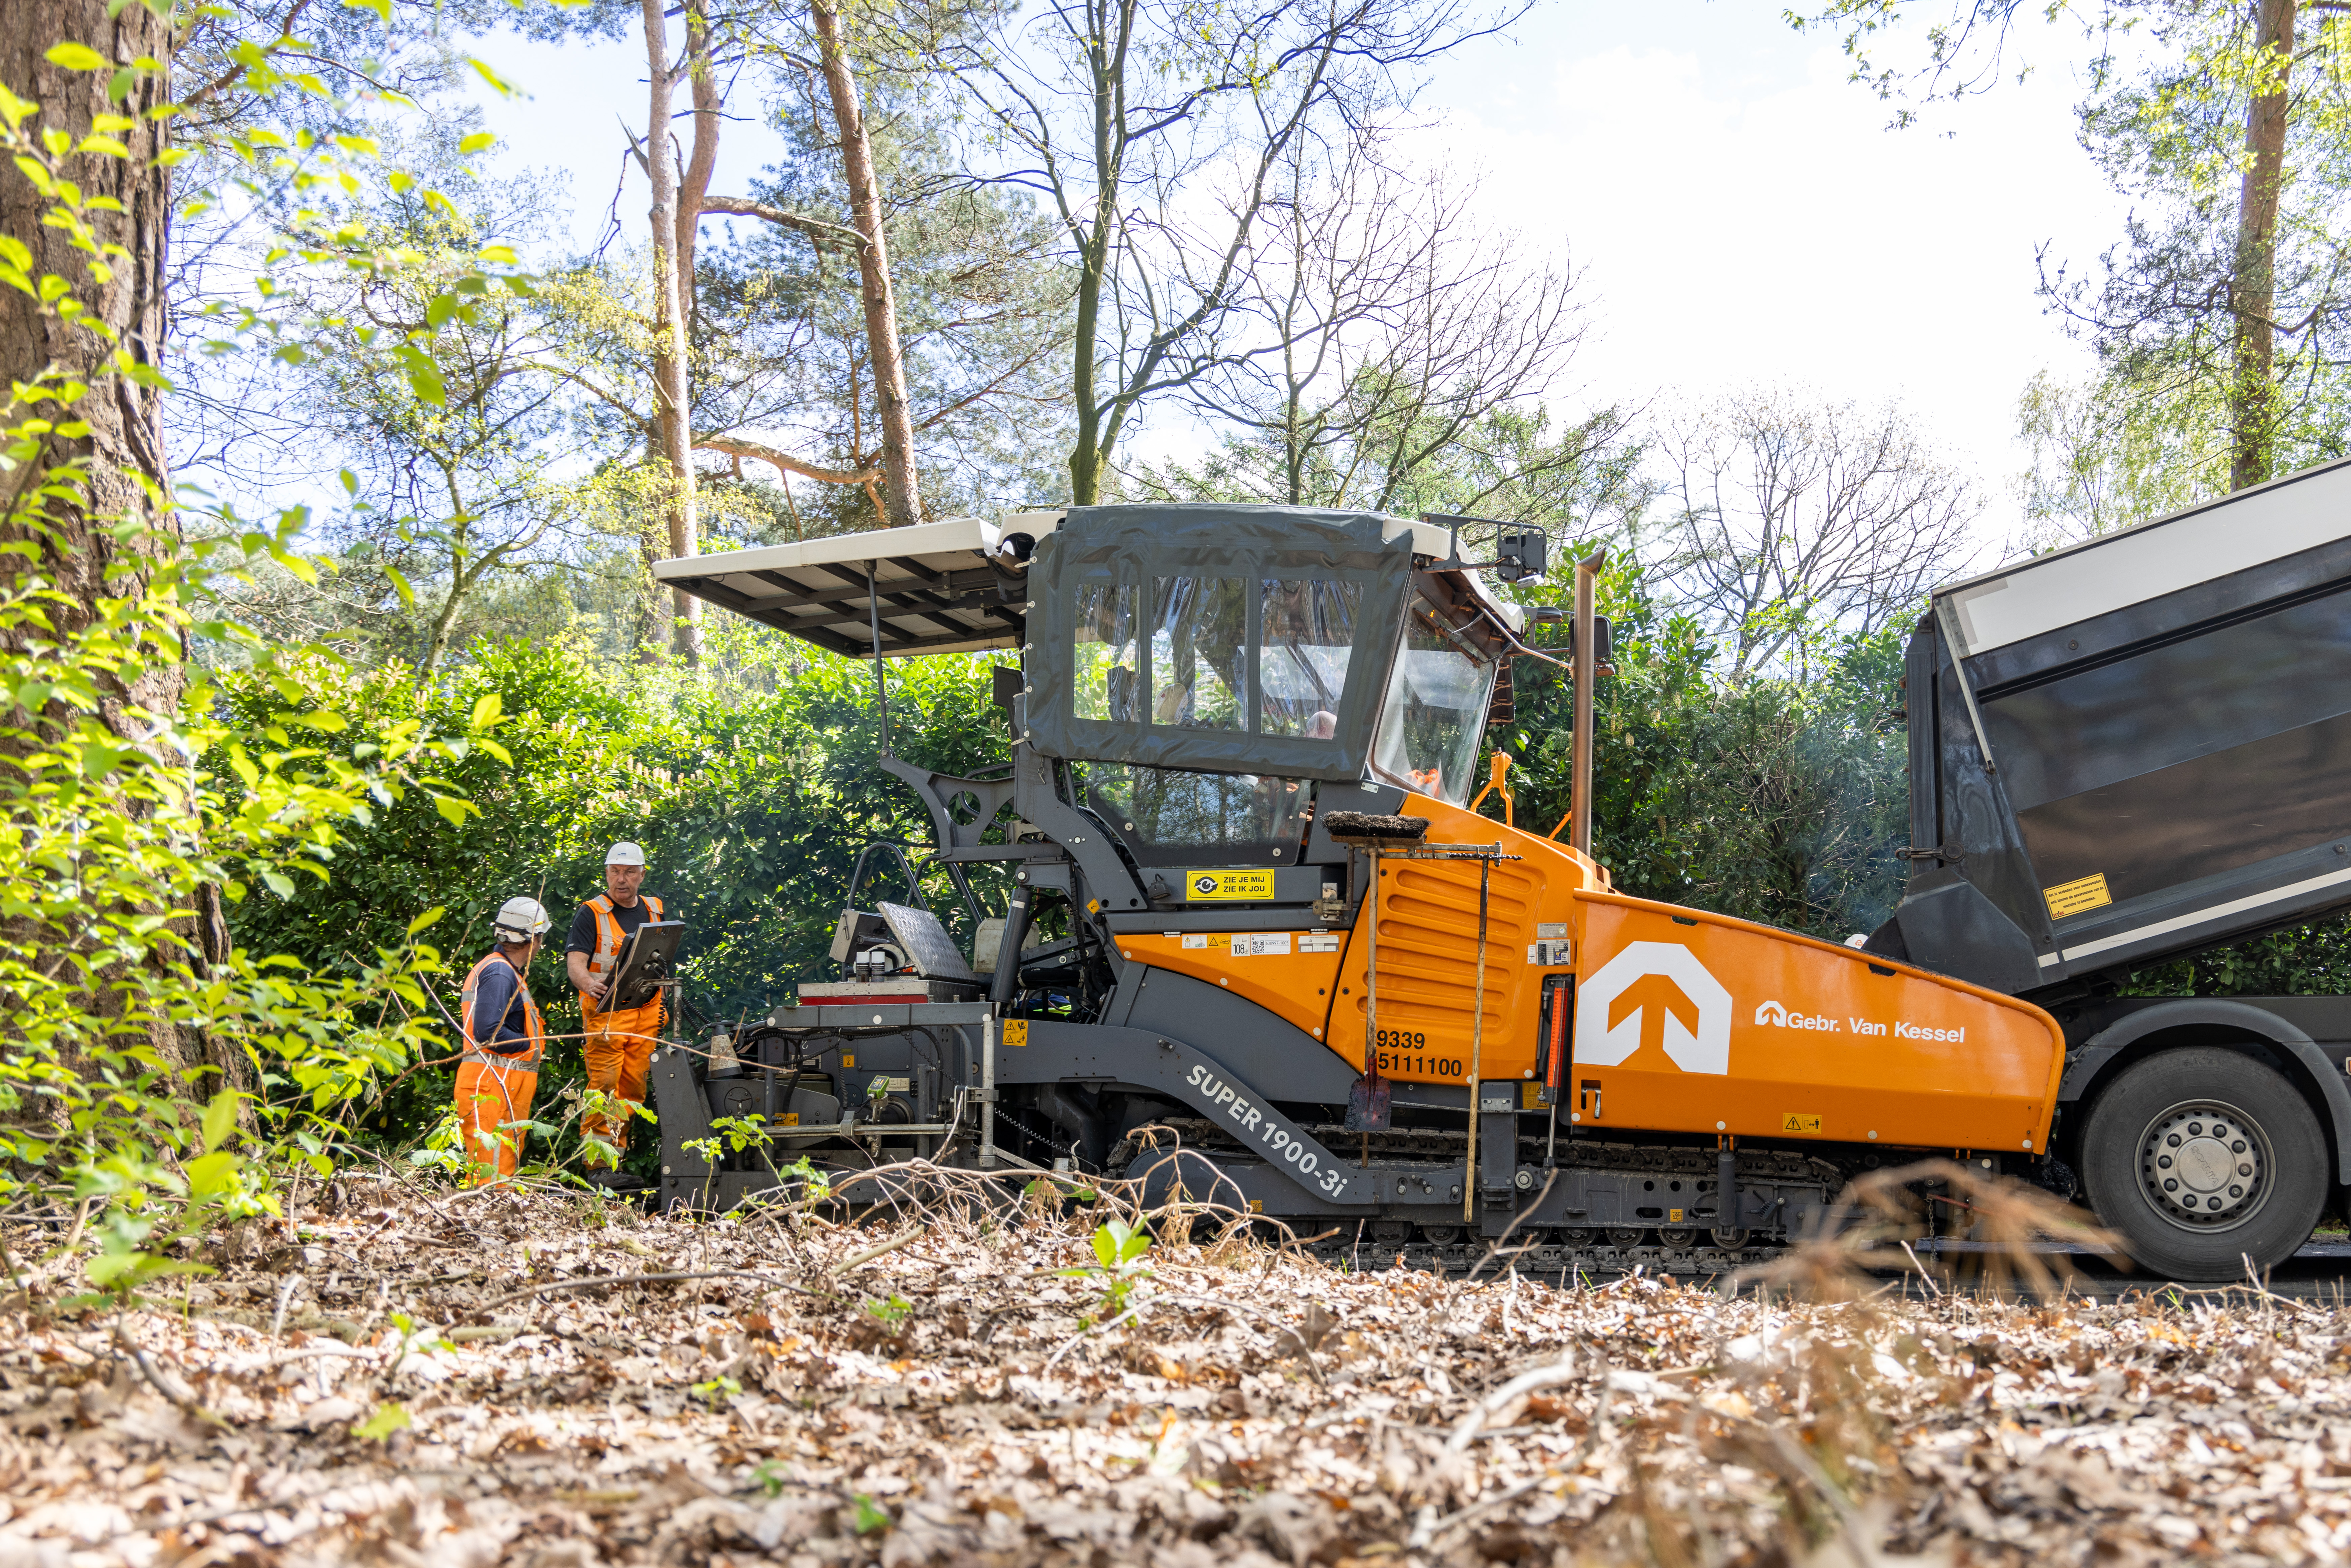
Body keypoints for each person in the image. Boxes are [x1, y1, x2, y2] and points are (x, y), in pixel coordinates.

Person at [567, 842, 667, 1166]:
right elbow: (575, 963)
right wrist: (588, 984)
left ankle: (614, 1161)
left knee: (633, 1089)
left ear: (641, 875)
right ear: (607, 872)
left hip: (647, 1010)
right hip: (607, 1012)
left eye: (628, 872)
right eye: (615, 872)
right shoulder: (592, 912)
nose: (621, 879)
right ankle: (596, 1165)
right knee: (605, 1085)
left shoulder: (654, 909)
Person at [455, 896, 550, 1186]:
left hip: (498, 1083)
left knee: (499, 1170)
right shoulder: (499, 973)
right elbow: (489, 1033)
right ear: (534, 939)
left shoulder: (503, 970)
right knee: (493, 1179)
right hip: (494, 1084)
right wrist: (528, 1045)